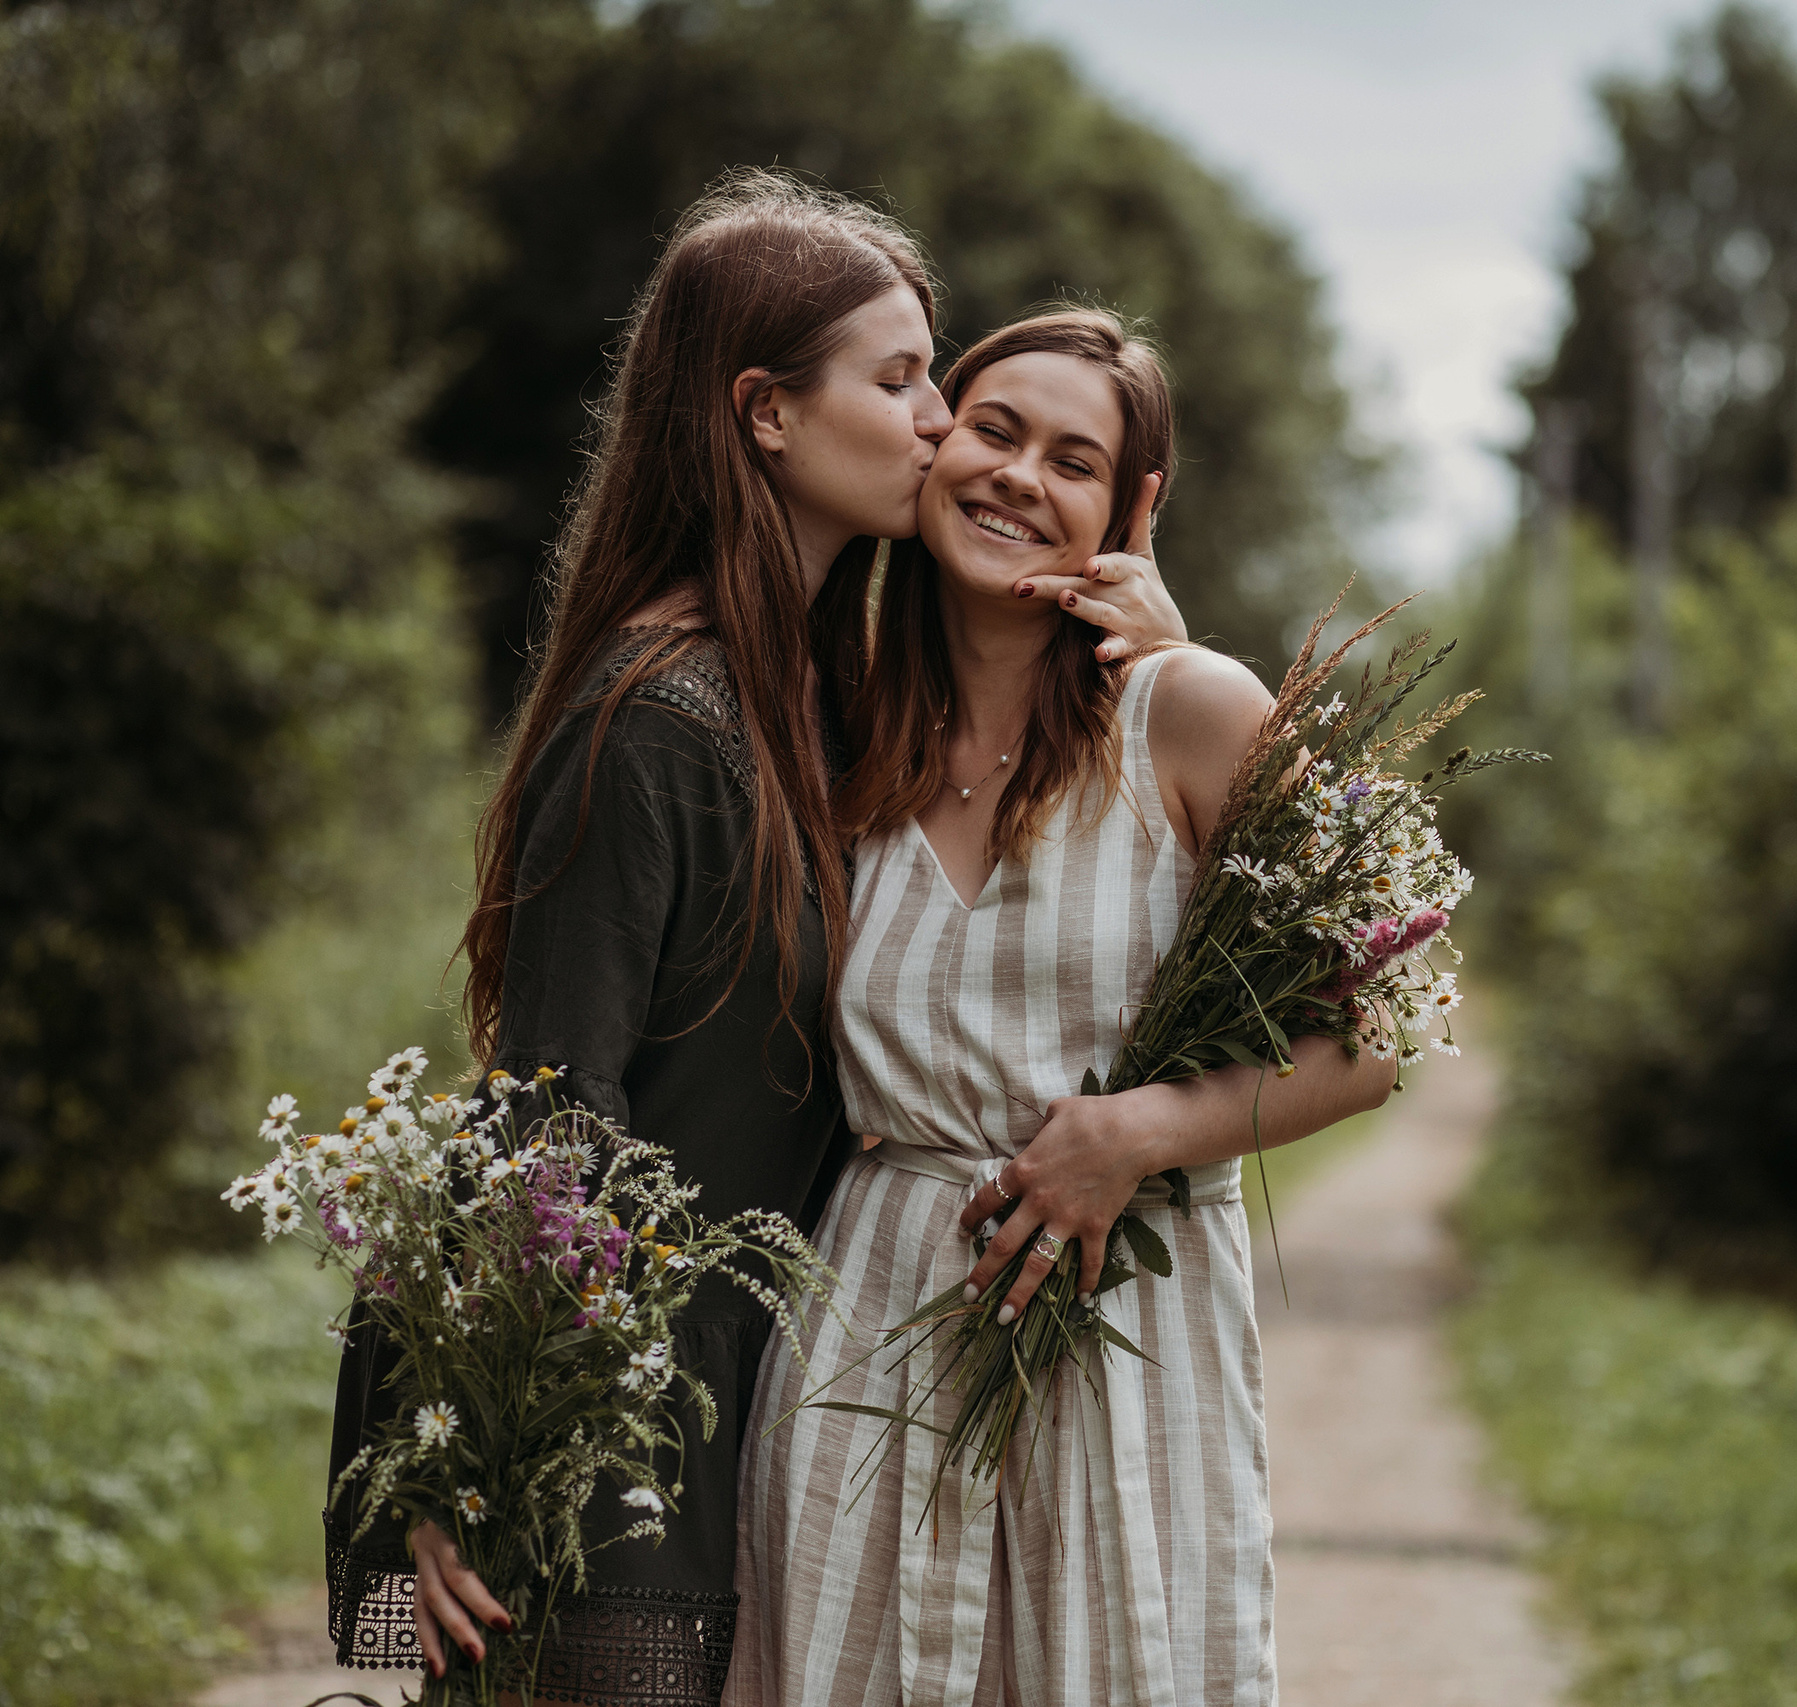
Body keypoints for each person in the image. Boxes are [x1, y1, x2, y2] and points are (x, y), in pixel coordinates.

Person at [323, 173, 1190, 1706]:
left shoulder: (812, 706)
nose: (938, 422)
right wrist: (455, 1450)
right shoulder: (663, 713)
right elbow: (546, 1101)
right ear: (765, 415)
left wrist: (1164, 660)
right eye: (903, 378)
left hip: (741, 1405)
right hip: (611, 1435)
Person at [729, 309, 1397, 1707]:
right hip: (870, 1332)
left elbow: (1373, 1034)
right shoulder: (833, 731)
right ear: (932, 448)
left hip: (1121, 1347)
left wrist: (1142, 1130)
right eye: (995, 430)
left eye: (1073, 460)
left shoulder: (1191, 711)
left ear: (1127, 509)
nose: (1020, 477)